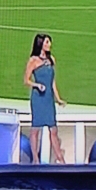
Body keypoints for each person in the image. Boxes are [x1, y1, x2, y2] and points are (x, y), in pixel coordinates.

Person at [24, 34, 66, 164]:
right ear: (40, 44)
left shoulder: (51, 60)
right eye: (47, 42)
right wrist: (37, 85)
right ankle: (35, 159)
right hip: (38, 99)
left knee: (53, 129)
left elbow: (52, 82)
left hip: (48, 99)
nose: (49, 45)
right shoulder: (33, 61)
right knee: (35, 129)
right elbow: (26, 80)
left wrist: (58, 99)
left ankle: (60, 158)